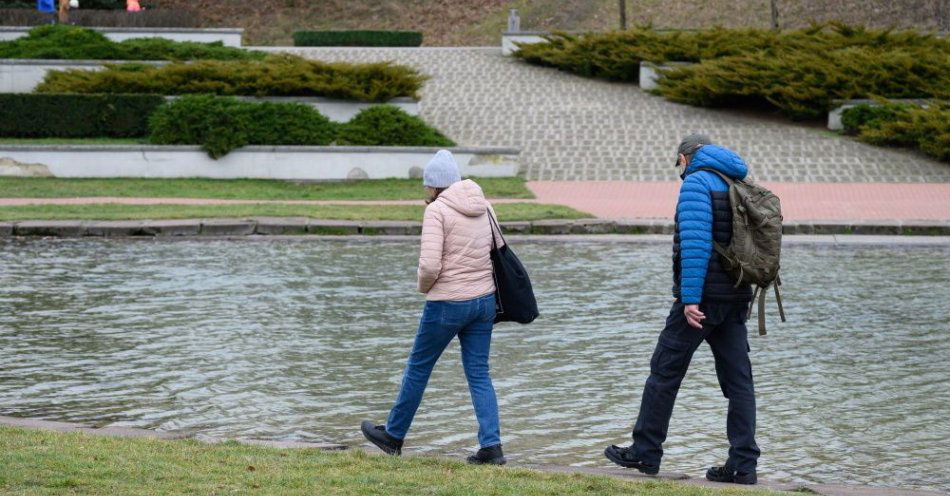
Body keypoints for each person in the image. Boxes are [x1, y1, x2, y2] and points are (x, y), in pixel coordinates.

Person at [603, 134, 760, 484]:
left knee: (664, 372)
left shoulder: (697, 183)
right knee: (739, 383)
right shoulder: (739, 181)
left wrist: (690, 299)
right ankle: (743, 465)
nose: (680, 170)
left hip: (702, 300)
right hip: (736, 296)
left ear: (686, 157)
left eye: (679, 163)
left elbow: (695, 244)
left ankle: (644, 452)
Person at [361, 150, 507, 465]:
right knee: (479, 373)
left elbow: (429, 266)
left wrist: (425, 288)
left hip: (447, 303)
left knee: (418, 367)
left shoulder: (437, 211)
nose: (426, 190)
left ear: (435, 185)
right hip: (483, 301)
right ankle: (491, 446)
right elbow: (498, 249)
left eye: (427, 185)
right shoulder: (484, 204)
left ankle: (393, 436)